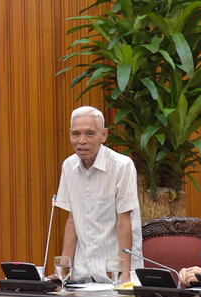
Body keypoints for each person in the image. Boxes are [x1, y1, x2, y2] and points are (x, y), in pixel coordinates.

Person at [55, 106, 143, 283]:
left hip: (115, 271)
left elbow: (124, 221)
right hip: (82, 273)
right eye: (76, 134)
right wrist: (63, 271)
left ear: (103, 135)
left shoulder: (122, 166)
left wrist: (125, 274)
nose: (81, 141)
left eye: (89, 133)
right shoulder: (68, 166)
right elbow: (72, 220)